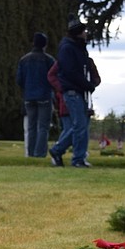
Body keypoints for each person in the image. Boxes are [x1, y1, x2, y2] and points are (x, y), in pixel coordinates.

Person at [48, 15, 99, 168]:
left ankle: (68, 153)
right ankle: (74, 157)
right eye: (84, 31)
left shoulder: (76, 48)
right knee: (79, 125)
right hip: (73, 91)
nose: (86, 34)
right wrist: (87, 84)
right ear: (78, 32)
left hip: (78, 91)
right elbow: (71, 72)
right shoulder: (68, 49)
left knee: (80, 125)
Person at [16, 32, 54, 158]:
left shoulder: (24, 60)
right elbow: (54, 77)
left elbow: (19, 80)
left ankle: (31, 153)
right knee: (43, 127)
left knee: (31, 127)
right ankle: (40, 153)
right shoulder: (48, 60)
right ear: (45, 45)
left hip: (29, 97)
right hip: (44, 96)